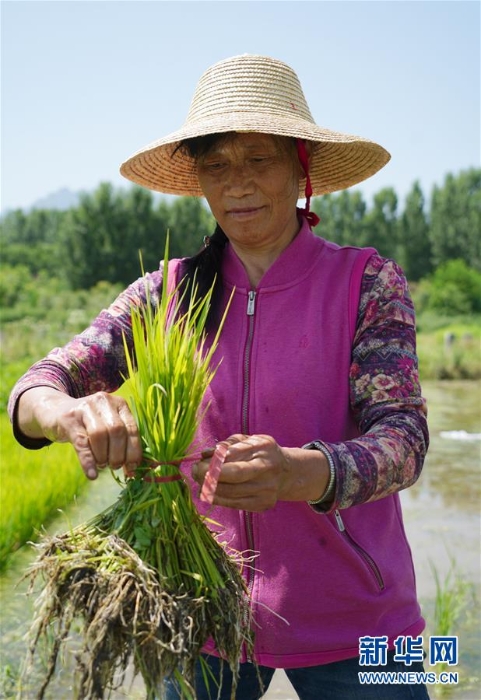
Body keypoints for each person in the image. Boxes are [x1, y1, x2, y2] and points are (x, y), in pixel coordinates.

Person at [8, 54, 430, 700]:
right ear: (198, 182)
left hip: (366, 620)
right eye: (217, 166)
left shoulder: (366, 281)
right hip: (203, 610)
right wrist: (67, 413)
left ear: (300, 167)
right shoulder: (168, 292)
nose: (237, 184)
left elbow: (402, 440)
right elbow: (37, 384)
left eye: (258, 160)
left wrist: (300, 472)